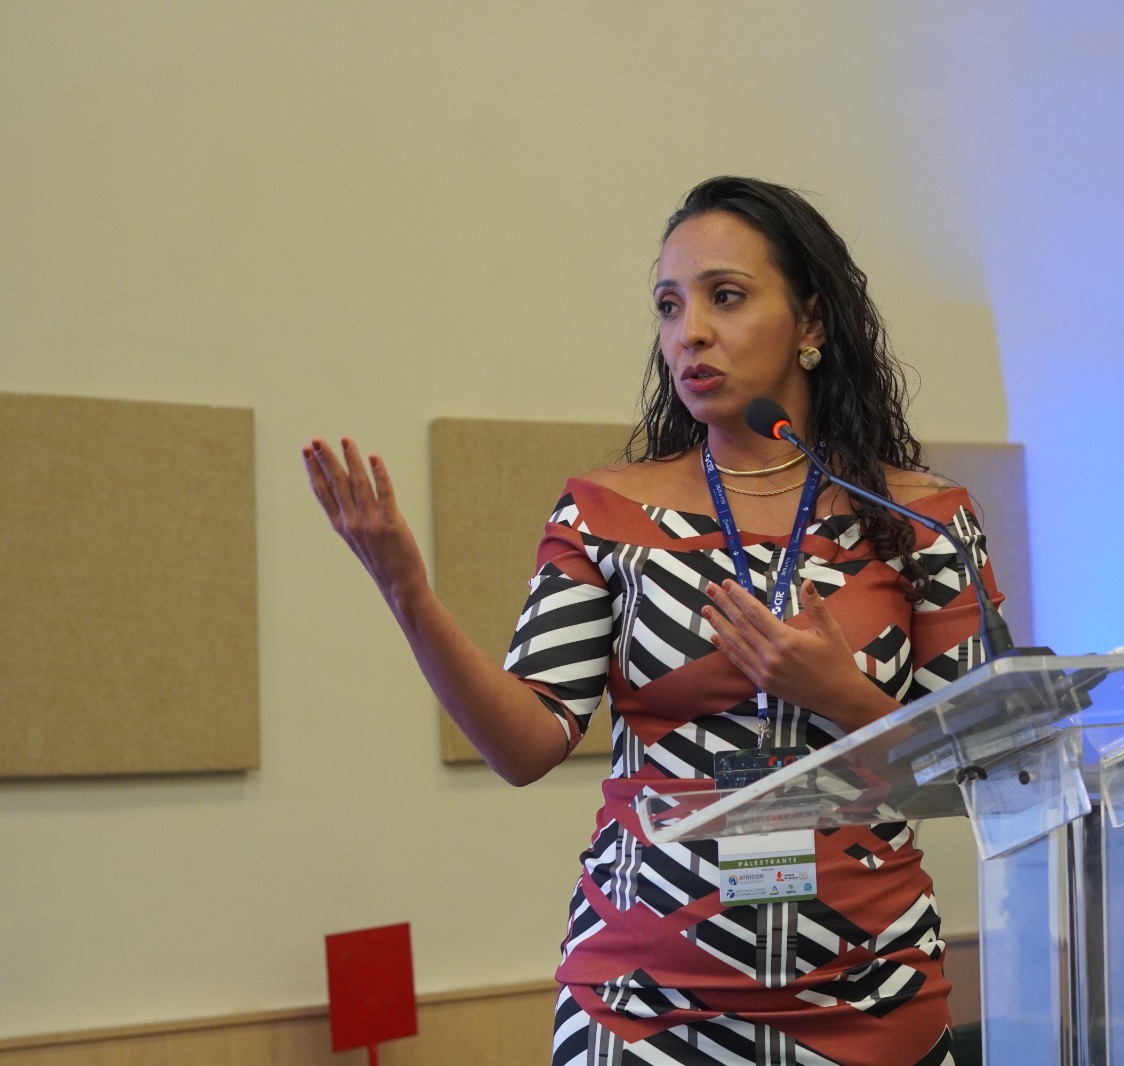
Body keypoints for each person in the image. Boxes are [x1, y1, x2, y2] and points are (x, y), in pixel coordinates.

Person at [303, 176, 1003, 1066]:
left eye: (726, 297)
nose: (689, 332)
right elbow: (524, 747)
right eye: (670, 306)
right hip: (644, 1003)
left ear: (812, 321)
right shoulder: (605, 514)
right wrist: (410, 594)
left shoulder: (920, 518)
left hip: (869, 996)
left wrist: (844, 696)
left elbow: (984, 769)